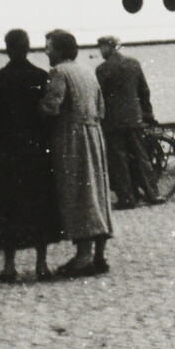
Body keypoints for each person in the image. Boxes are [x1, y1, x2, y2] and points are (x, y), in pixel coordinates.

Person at [0, 29, 61, 283]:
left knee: (8, 209)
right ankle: (41, 265)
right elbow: (48, 119)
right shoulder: (40, 76)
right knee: (40, 207)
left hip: (6, 157)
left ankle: (9, 266)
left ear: (7, 48)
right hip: (36, 154)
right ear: (27, 48)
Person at [40, 30, 114, 276]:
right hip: (94, 135)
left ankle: (83, 257)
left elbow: (52, 107)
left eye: (49, 46)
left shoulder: (59, 72)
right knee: (97, 192)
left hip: (71, 138)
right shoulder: (87, 72)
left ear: (60, 50)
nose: (46, 50)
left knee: (78, 192)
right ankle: (99, 254)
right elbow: (102, 108)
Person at [95, 35, 160, 209]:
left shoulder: (102, 69)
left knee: (119, 161)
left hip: (113, 122)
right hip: (134, 119)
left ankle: (127, 198)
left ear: (110, 47)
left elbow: (99, 97)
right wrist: (148, 114)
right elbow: (144, 91)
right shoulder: (133, 64)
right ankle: (153, 194)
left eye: (102, 47)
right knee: (141, 157)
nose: (100, 51)